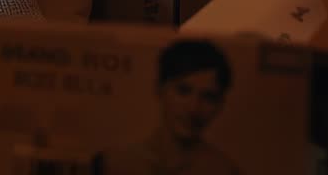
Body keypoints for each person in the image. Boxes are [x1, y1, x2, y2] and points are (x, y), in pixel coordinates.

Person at [96, 39, 242, 175]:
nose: (193, 109)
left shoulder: (225, 171)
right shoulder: (113, 163)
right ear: (159, 89)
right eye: (183, 91)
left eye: (208, 97)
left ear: (220, 105)